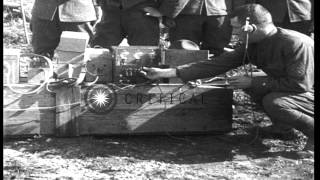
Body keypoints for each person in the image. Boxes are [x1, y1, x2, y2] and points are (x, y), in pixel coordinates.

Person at [142, 4, 314, 151]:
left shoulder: (294, 43)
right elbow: (218, 64)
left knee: (274, 101)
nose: (235, 33)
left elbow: (300, 84)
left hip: (306, 90)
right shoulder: (255, 42)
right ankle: (283, 128)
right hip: (293, 87)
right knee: (252, 83)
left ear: (251, 27)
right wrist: (167, 73)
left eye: (237, 28)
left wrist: (253, 81)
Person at [144, 0, 247, 56]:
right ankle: (212, 91)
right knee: (215, 54)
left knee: (184, 53)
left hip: (188, 13)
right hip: (219, 11)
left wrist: (165, 12)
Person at [30, 0, 101, 59]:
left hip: (78, 13)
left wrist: (97, 7)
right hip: (44, 11)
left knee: (77, 58)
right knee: (41, 59)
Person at [90, 0, 160, 48]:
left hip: (142, 11)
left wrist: (164, 10)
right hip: (110, 9)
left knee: (144, 56)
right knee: (98, 52)